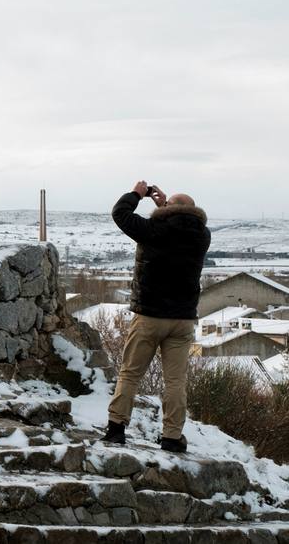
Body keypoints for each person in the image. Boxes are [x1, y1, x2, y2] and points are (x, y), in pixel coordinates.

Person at [102, 180, 210, 451]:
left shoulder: (153, 230)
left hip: (150, 315)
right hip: (183, 320)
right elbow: (177, 226)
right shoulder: (202, 235)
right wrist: (165, 206)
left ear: (169, 211)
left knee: (130, 374)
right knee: (175, 380)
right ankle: (172, 437)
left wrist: (137, 194)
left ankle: (116, 429)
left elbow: (120, 214)